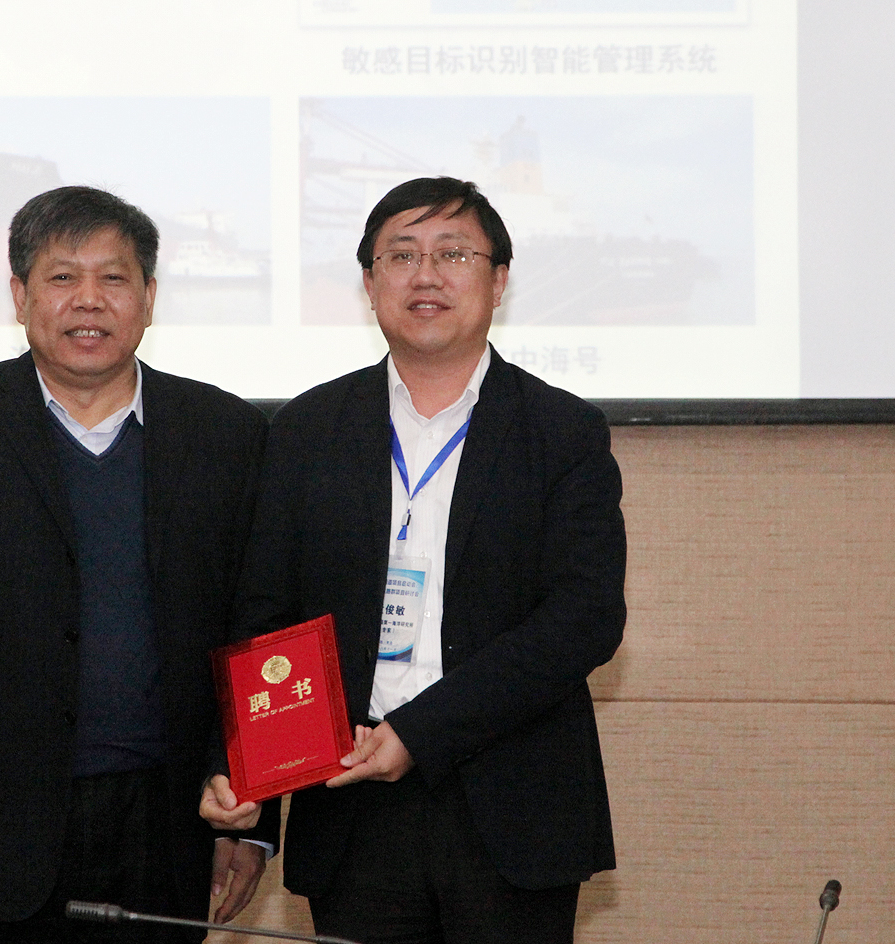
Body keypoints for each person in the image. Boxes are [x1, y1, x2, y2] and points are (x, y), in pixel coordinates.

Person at [200, 176, 626, 944]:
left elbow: (584, 618)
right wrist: (250, 791)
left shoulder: (562, 432)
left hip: (510, 803)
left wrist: (421, 732)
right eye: (400, 256)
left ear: (499, 280)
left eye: (452, 254)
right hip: (349, 802)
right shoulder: (306, 430)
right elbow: (263, 619)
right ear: (370, 285)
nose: (425, 275)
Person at [0, 185, 275, 943]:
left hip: (170, 823)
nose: (89, 300)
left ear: (149, 297)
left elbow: (258, 632)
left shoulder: (227, 432)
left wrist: (251, 818)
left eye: (114, 278)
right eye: (62, 278)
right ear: (20, 296)